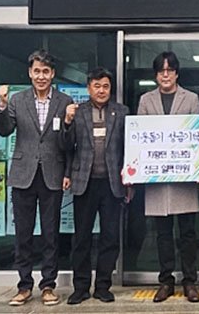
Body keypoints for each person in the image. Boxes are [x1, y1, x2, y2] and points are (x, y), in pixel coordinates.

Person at [0, 50, 75, 307]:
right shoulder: (17, 100)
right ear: (30, 73)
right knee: (23, 234)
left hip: (53, 174)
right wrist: (2, 106)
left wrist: (67, 172)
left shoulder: (64, 101)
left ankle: (48, 285)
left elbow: (69, 144)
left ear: (53, 74)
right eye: (37, 71)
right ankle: (24, 286)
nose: (41, 76)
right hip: (23, 175)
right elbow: (4, 130)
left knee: (51, 234)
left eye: (46, 72)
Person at [137, 51, 199, 303]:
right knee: (162, 234)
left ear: (176, 73)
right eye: (161, 71)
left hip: (184, 177)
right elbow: (139, 137)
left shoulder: (191, 98)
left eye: (170, 70)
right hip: (157, 179)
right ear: (156, 75)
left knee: (187, 233)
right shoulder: (146, 100)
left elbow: (198, 137)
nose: (165, 75)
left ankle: (190, 281)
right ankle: (166, 281)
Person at [62, 68, 129, 305]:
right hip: (85, 183)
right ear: (88, 87)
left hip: (112, 184)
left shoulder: (121, 112)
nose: (101, 90)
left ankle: (103, 286)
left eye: (106, 86)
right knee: (82, 238)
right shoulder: (77, 112)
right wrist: (67, 122)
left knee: (110, 237)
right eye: (97, 86)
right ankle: (80, 287)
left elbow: (128, 147)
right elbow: (66, 147)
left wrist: (129, 180)